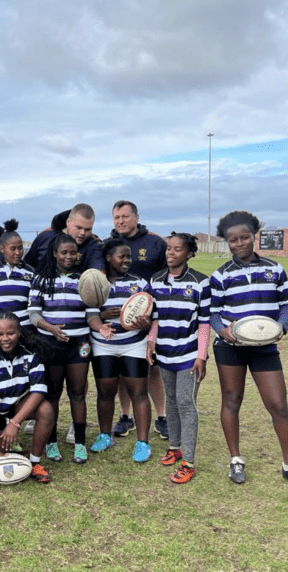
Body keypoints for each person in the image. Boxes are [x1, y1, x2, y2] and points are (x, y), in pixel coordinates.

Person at [210, 210, 288, 490]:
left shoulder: (274, 268)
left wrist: (282, 327)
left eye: (245, 237)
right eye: (233, 240)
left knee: (279, 404)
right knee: (231, 401)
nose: (240, 243)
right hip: (230, 348)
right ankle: (236, 459)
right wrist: (223, 331)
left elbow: (287, 303)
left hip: (265, 347)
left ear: (253, 237)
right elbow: (213, 312)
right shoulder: (220, 275)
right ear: (227, 242)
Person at [147, 233, 211, 484]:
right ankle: (175, 448)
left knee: (186, 403)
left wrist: (202, 356)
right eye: (168, 249)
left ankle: (189, 462)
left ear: (190, 254)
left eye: (177, 249)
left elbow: (204, 322)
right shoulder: (156, 280)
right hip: (165, 353)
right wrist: (151, 341)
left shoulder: (200, 283)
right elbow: (155, 316)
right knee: (171, 401)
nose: (170, 253)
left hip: (189, 356)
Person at [86, 239, 154, 462]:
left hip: (133, 344)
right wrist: (101, 319)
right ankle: (105, 435)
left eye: (129, 257)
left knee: (139, 393)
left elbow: (152, 316)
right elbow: (89, 313)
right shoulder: (96, 281)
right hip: (103, 344)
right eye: (121, 256)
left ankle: (143, 443)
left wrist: (144, 323)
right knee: (105, 392)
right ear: (108, 257)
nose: (126, 261)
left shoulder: (140, 283)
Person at [108, 200, 169, 441]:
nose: (120, 221)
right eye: (116, 217)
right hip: (121, 321)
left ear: (136, 217)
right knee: (123, 371)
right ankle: (125, 416)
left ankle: (162, 417)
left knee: (153, 368)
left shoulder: (154, 242)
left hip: (150, 318)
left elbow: (169, 272)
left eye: (124, 216)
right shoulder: (108, 244)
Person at [28, 234, 91, 464]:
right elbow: (33, 314)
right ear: (55, 253)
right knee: (53, 394)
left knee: (77, 393)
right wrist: (51, 328)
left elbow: (91, 311)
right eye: (63, 252)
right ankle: (51, 442)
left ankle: (80, 444)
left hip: (78, 343)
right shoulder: (41, 279)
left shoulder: (84, 279)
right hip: (50, 343)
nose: (68, 256)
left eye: (72, 253)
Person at [0, 313, 55, 483]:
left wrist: (14, 423)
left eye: (10, 333)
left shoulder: (31, 353)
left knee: (46, 409)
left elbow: (39, 391)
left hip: (18, 405)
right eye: (0, 334)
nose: (5, 338)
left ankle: (35, 463)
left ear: (19, 332)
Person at [0, 219, 36, 342]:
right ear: (2, 249)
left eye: (20, 248)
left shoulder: (31, 273)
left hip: (23, 334)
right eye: (13, 248)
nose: (18, 253)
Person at [23, 204, 103, 272]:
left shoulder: (94, 246)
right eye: (79, 228)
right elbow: (26, 267)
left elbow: (98, 274)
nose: (83, 233)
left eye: (88, 229)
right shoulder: (45, 237)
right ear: (68, 222)